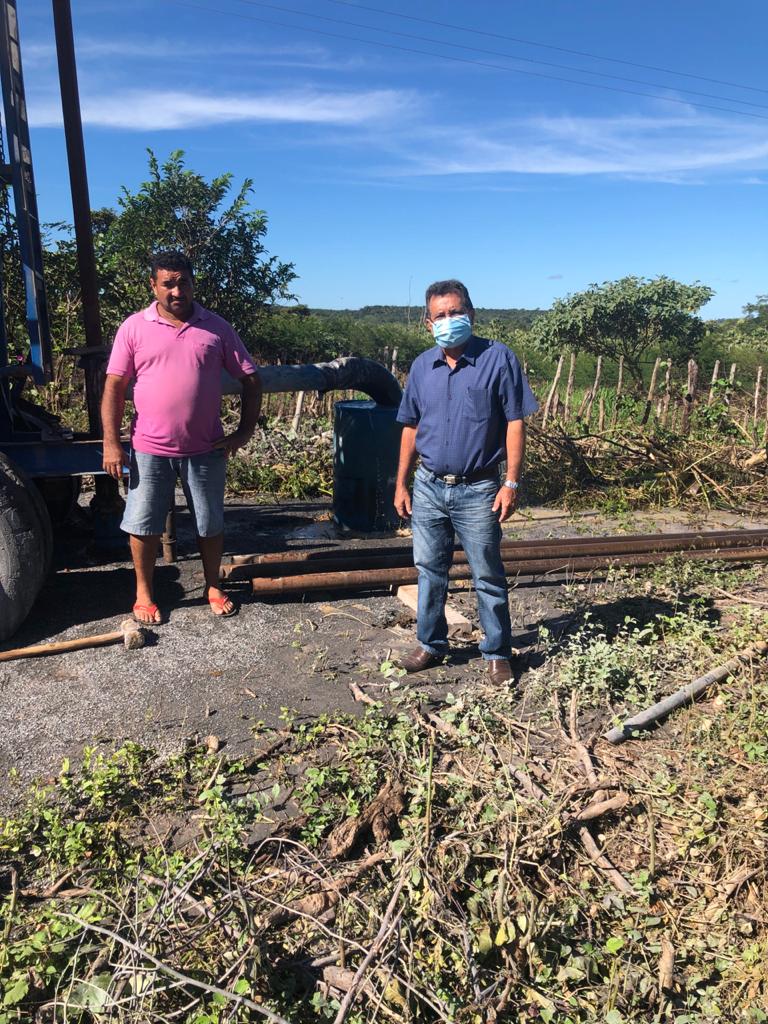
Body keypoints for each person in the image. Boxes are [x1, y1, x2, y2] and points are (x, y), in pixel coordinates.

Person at [101, 250, 262, 624]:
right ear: (154, 286)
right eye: (168, 284)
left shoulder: (216, 328)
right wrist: (111, 442)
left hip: (205, 448)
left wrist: (243, 431)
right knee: (143, 524)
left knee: (210, 522)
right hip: (149, 448)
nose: (177, 291)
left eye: (183, 282)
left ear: (192, 283)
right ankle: (144, 594)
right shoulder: (134, 327)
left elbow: (251, 379)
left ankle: (213, 586)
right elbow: (114, 386)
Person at [394, 279, 538, 681]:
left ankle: (496, 651)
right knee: (429, 570)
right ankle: (430, 644)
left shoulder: (498, 358)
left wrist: (511, 482)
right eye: (440, 315)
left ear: (471, 314)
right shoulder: (423, 366)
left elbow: (515, 422)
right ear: (428, 323)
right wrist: (401, 483)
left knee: (487, 573)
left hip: (478, 488)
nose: (449, 321)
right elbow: (409, 427)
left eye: (456, 313)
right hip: (428, 485)